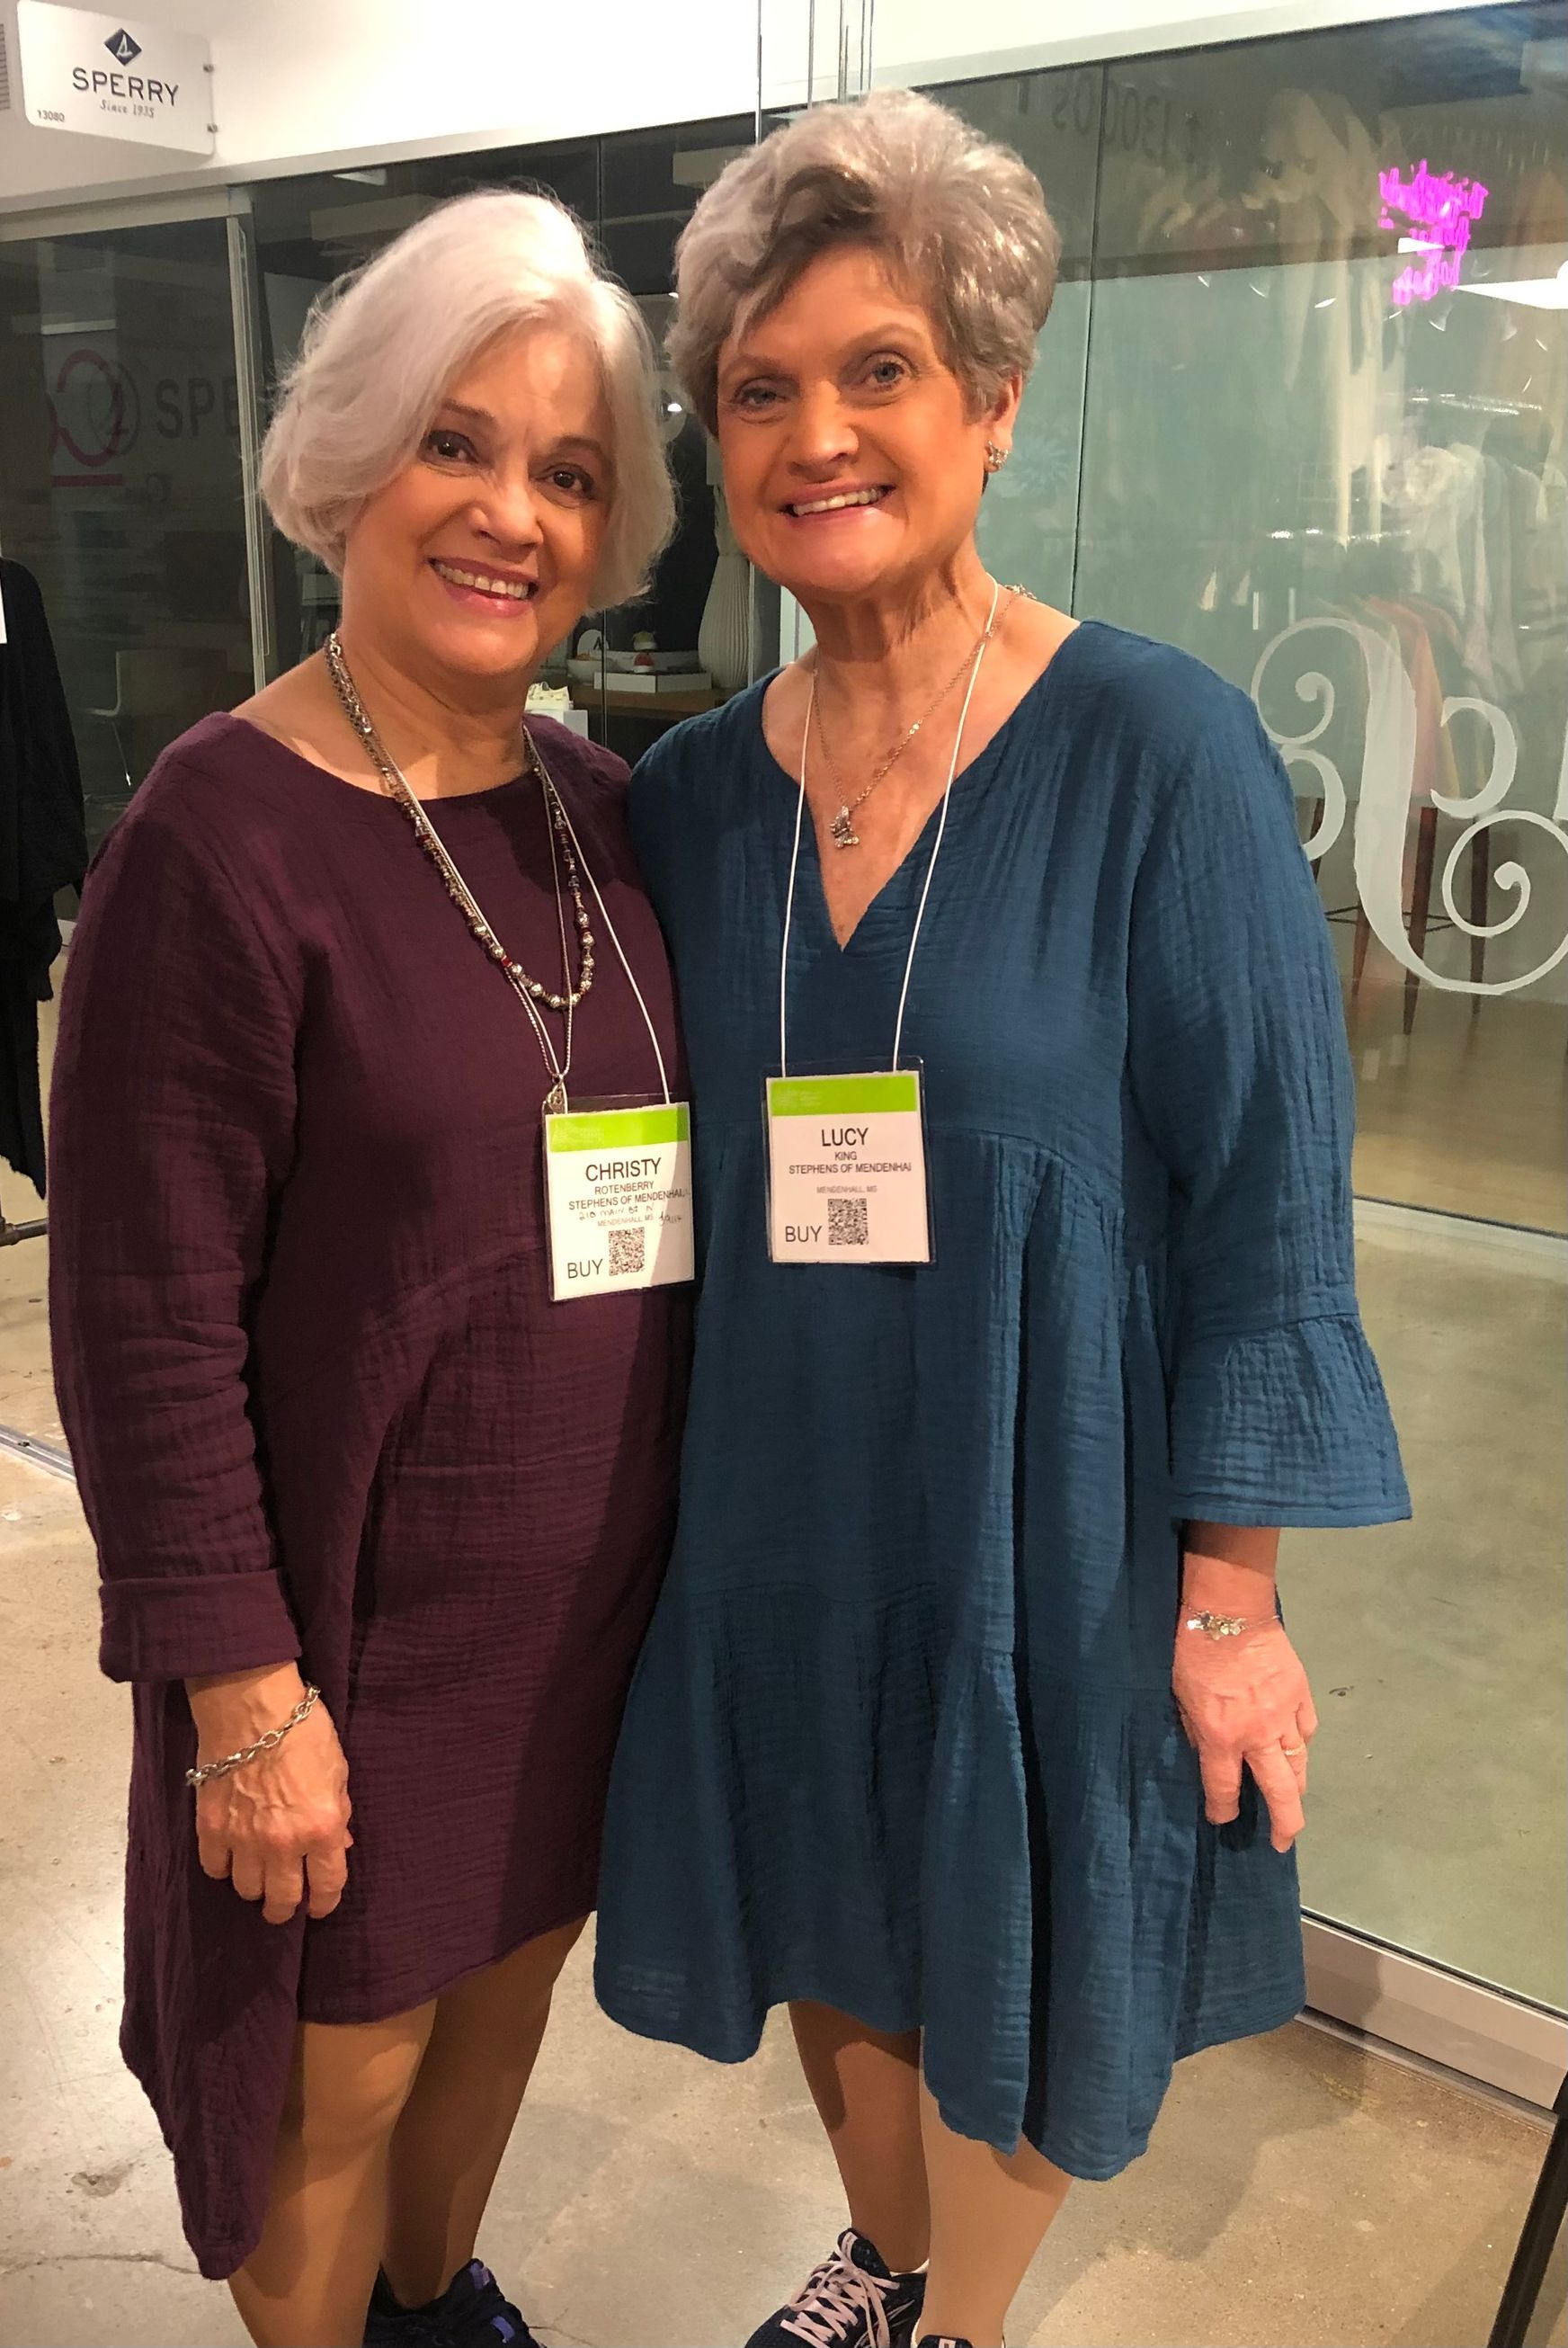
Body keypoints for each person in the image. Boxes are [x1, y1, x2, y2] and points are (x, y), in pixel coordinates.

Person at [592, 91, 1410, 2348]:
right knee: (832, 1902)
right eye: (761, 387)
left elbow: (1267, 1202)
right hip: (774, 1492)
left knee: (1029, 1931)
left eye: (880, 372)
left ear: (994, 398)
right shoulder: (684, 798)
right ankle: (894, 2254)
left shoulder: (1165, 751)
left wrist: (1231, 1597)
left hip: (1046, 1504)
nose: (819, 433)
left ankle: (961, 2327)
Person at [49, 189, 687, 2348]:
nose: (511, 510)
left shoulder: (604, 811)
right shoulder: (216, 837)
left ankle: (439, 2305)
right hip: (348, 1640)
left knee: (499, 2005)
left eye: (569, 468)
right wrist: (238, 1691)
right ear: (349, 458)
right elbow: (142, 1322)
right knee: (340, 2071)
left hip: (579, 1605)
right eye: (457, 443)